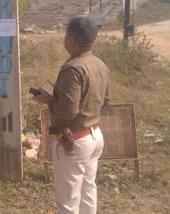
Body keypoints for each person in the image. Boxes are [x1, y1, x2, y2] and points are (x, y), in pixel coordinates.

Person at [33, 17, 111, 214]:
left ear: (72, 40)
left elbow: (68, 112)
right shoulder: (100, 64)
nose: (65, 39)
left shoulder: (72, 70)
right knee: (88, 192)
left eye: (66, 36)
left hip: (73, 142)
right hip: (94, 136)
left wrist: (48, 100)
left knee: (67, 201)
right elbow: (107, 101)